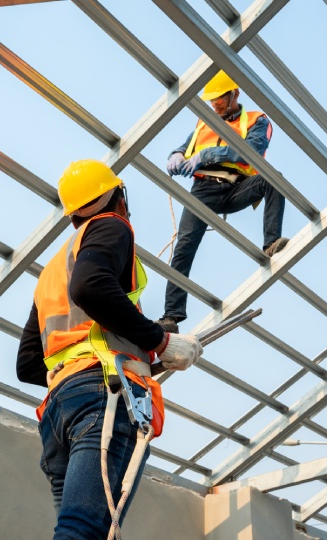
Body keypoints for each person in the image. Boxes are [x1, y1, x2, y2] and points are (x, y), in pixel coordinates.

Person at [16, 159, 203, 539]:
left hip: (59, 411)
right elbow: (92, 288)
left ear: (72, 216)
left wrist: (134, 358)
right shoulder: (111, 226)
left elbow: (27, 364)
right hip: (102, 398)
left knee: (90, 532)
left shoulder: (54, 268)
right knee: (84, 531)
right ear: (117, 196)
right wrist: (160, 341)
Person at [158, 71, 288, 333]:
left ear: (234, 94)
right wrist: (176, 154)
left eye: (219, 98)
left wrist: (207, 155)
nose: (214, 104)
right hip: (203, 190)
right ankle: (171, 317)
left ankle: (271, 242)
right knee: (184, 247)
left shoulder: (255, 120)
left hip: (235, 187)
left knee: (275, 178)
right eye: (212, 99)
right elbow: (185, 147)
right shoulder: (203, 122)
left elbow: (250, 150)